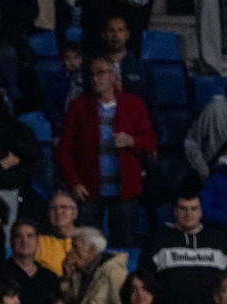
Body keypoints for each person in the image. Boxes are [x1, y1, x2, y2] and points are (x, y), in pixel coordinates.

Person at [56, 58, 155, 249]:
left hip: (125, 190)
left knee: (125, 247)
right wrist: (74, 182)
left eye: (101, 73)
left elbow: (150, 141)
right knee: (85, 247)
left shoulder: (134, 104)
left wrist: (131, 141)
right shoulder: (79, 106)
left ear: (113, 76)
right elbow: (63, 150)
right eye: (92, 74)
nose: (95, 78)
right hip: (89, 189)